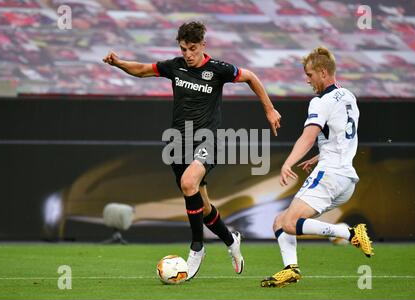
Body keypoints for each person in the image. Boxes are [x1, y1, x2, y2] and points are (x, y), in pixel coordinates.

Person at [103, 21, 281, 280]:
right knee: (204, 206)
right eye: (183, 48)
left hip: (208, 140)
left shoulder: (218, 70)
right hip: (178, 143)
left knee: (189, 183)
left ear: (203, 46)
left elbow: (251, 77)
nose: (187, 53)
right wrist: (118, 63)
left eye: (192, 48)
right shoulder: (174, 67)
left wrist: (269, 109)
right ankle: (231, 240)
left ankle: (197, 247)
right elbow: (142, 70)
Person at [261, 46, 373, 288]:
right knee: (280, 222)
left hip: (330, 174)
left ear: (323, 72)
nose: (307, 80)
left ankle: (349, 233)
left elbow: (308, 136)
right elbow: (343, 136)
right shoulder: (349, 97)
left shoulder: (320, 102)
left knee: (290, 223)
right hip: (345, 179)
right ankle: (291, 269)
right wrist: (320, 155)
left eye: (309, 74)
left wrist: (288, 163)